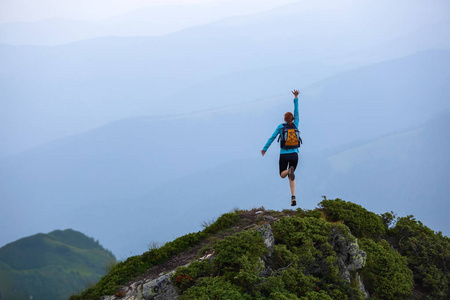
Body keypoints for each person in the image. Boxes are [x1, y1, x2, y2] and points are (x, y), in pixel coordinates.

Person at [261, 90, 300, 206]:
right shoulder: (296, 124)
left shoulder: (280, 127)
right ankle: (293, 196)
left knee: (283, 174)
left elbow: (272, 138)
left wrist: (264, 149)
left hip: (284, 154)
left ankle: (289, 171)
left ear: (284, 119)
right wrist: (296, 98)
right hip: (294, 154)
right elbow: (297, 112)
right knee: (291, 178)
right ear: (292, 119)